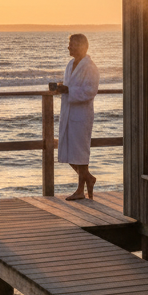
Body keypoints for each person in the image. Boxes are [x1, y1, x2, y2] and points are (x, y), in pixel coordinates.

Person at [56, 33, 100, 200]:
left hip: (82, 115)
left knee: (80, 152)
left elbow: (90, 91)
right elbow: (70, 86)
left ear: (82, 46)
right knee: (67, 150)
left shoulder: (90, 67)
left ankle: (81, 189)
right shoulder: (70, 65)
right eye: (69, 44)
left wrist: (69, 90)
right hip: (68, 112)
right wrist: (62, 88)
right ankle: (89, 178)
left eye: (72, 44)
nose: (69, 47)